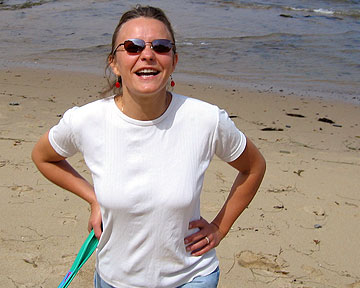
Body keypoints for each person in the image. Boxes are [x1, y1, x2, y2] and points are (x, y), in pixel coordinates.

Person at [32, 5, 266, 288]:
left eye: (161, 46)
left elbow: (253, 167)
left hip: (190, 277)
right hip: (114, 278)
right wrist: (94, 198)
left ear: (174, 60)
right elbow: (43, 157)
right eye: (132, 46)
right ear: (114, 63)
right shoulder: (85, 120)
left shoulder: (205, 119)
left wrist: (219, 227)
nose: (147, 54)